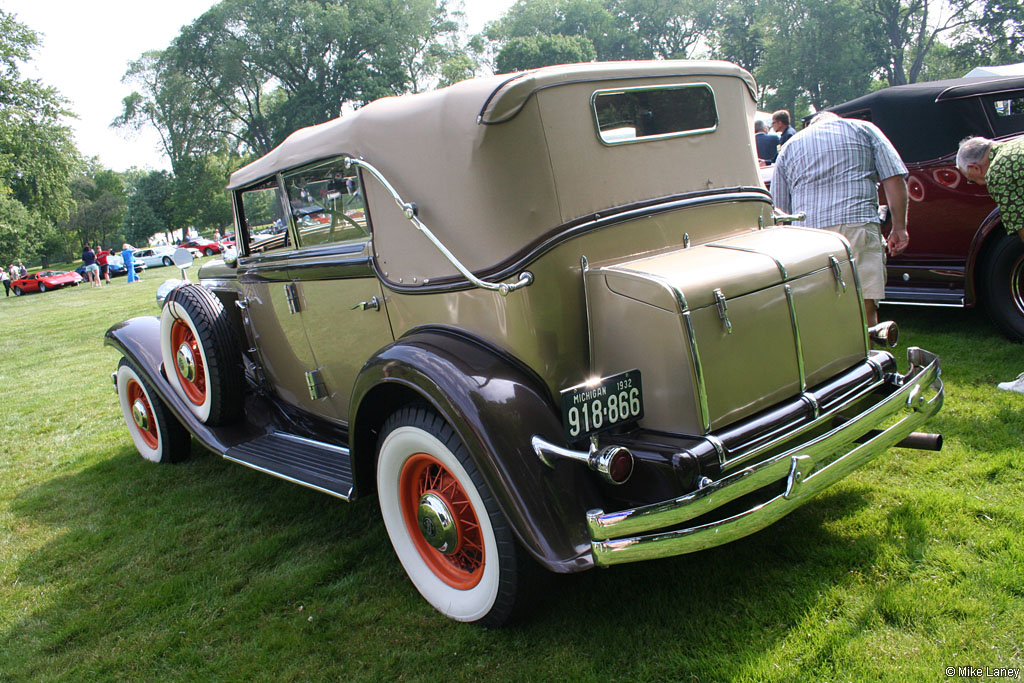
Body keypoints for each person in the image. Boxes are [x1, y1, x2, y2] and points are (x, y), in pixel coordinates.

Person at [770, 111, 909, 328]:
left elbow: (779, 210)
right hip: (857, 224)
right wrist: (899, 228)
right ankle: (866, 359)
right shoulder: (865, 129)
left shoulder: (789, 146)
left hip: (807, 235)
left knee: (817, 311)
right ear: (837, 118)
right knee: (864, 309)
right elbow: (894, 177)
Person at [957, 135, 1024, 392]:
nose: (978, 184)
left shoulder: (998, 171)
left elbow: (1021, 227)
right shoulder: (1016, 144)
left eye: (973, 180)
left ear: (975, 167)